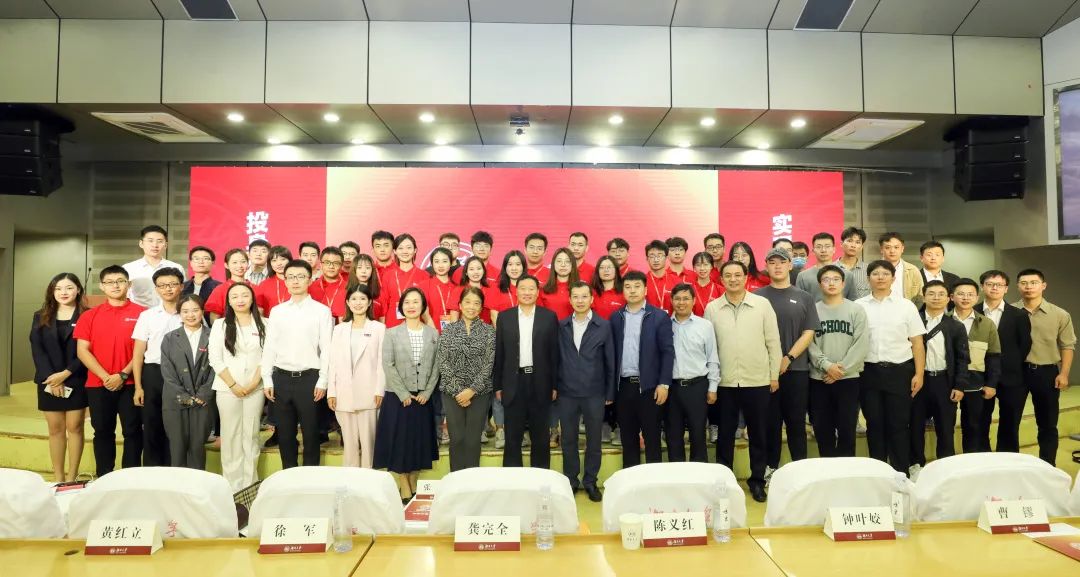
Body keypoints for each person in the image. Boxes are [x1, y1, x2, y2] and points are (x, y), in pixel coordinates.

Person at [704, 260, 781, 503]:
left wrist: (774, 375)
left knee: (758, 434)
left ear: (746, 277)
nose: (733, 279)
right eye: (728, 275)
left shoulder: (762, 305)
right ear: (721, 280)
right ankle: (724, 482)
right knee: (725, 435)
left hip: (757, 379)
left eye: (738, 275)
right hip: (725, 382)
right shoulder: (713, 308)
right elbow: (709, 348)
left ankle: (757, 481)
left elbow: (773, 342)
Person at [74, 265, 146, 477]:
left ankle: (130, 478)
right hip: (99, 384)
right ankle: (105, 477)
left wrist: (122, 375)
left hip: (131, 383)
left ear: (128, 284)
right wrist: (106, 377)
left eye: (120, 281)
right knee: (103, 432)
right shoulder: (90, 316)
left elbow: (144, 350)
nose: (115, 286)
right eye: (110, 282)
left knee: (133, 431)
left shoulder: (143, 314)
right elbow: (82, 350)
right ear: (102, 286)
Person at [856, 260, 926, 475]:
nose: (880, 277)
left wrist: (919, 374)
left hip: (900, 371)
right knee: (874, 424)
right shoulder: (858, 306)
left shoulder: (906, 306)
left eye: (885, 274)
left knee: (899, 424)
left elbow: (917, 342)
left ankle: (900, 473)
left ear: (893, 278)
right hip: (868, 371)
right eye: (875, 274)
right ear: (868, 279)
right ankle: (879, 473)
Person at [262, 260, 333, 468]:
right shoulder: (277, 311)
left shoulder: (321, 311)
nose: (295, 281)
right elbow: (270, 346)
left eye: (301, 276)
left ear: (310, 280)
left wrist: (323, 380)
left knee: (311, 434)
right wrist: (267, 378)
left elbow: (327, 348)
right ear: (284, 280)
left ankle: (310, 479)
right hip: (281, 378)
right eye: (291, 277)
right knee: (285, 435)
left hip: (310, 378)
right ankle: (288, 477)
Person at [756, 248, 818, 479]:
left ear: (790, 265)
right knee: (770, 423)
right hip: (765, 372)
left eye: (782, 262)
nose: (777, 266)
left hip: (797, 370)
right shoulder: (757, 297)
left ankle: (800, 472)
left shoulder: (804, 297)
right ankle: (770, 469)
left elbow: (808, 332)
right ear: (766, 267)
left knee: (796, 423)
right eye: (772, 262)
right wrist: (772, 362)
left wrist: (788, 357)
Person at [376, 287, 440, 502]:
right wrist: (403, 393)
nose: (411, 306)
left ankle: (413, 482)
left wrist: (427, 392)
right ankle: (404, 485)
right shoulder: (392, 333)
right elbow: (388, 364)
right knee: (400, 443)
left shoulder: (433, 334)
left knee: (419, 443)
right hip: (398, 398)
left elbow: (437, 366)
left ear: (423, 306)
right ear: (401, 307)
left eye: (416, 302)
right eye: (407, 302)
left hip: (423, 398)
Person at [556, 281, 615, 501]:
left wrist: (610, 392)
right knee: (568, 439)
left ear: (592, 299)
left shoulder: (604, 326)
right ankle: (571, 481)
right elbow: (555, 359)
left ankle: (590, 481)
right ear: (570, 299)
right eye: (575, 296)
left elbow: (610, 361)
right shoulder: (561, 326)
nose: (580, 301)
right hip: (567, 392)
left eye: (584, 296)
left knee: (594, 440)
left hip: (594, 392)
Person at [493, 275, 559, 469]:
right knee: (512, 437)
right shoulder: (505, 317)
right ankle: (514, 480)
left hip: (541, 382)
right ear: (516, 291)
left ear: (538, 292)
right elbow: (500, 353)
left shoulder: (549, 317)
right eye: (523, 288)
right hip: (513, 383)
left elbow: (554, 354)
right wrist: (498, 385)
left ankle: (541, 479)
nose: (527, 292)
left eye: (531, 289)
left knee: (541, 437)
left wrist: (555, 385)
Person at [610, 271, 675, 468]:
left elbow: (668, 352)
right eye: (628, 287)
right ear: (623, 291)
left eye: (637, 286)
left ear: (645, 290)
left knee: (652, 438)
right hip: (624, 387)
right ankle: (631, 481)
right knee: (628, 439)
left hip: (649, 388)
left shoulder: (659, 317)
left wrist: (664, 384)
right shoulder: (616, 317)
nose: (632, 291)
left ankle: (653, 482)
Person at [30, 272, 89, 482]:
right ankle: (58, 478)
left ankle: (71, 478)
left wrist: (65, 374)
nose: (63, 292)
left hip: (76, 377)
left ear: (78, 290)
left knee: (75, 427)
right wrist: (51, 378)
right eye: (58, 288)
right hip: (48, 380)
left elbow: (89, 350)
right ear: (52, 291)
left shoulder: (87, 315)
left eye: (69, 288)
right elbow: (37, 349)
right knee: (55, 429)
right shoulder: (41, 315)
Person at [1013, 268, 1076, 465]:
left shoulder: (1059, 314)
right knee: (1010, 422)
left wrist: (1064, 373)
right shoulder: (1009, 312)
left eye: (1033, 283)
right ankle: (1010, 466)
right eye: (1024, 283)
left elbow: (1067, 346)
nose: (1028, 287)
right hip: (1015, 373)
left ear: (1043, 286)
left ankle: (1048, 465)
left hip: (1046, 373)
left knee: (1048, 424)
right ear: (1017, 286)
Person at [208, 282, 266, 491]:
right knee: (230, 435)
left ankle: (250, 486)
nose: (240, 300)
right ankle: (232, 487)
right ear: (229, 302)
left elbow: (267, 357)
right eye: (235, 296)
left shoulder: (265, 324)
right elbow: (215, 359)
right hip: (227, 388)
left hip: (255, 388)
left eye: (244, 295)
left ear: (252, 299)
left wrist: (253, 383)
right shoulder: (220, 325)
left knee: (251, 435)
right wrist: (233, 384)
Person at [910, 281, 969, 478]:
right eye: (931, 293)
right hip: (919, 381)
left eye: (941, 294)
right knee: (915, 425)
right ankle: (916, 466)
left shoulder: (956, 326)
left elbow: (962, 359)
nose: (936, 298)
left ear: (948, 298)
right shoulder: (913, 322)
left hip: (944, 382)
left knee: (945, 428)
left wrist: (960, 385)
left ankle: (945, 469)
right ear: (924, 296)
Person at [808, 265, 868, 457]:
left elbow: (861, 343)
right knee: (822, 429)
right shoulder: (812, 310)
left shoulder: (856, 310)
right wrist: (827, 366)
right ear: (820, 284)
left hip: (848, 379)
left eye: (836, 279)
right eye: (826, 279)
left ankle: (846, 469)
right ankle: (827, 468)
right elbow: (808, 343)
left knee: (847, 429)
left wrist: (840, 370)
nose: (831, 283)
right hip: (820, 379)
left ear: (843, 283)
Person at [436, 287, 495, 471]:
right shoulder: (449, 330)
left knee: (472, 440)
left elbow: (489, 363)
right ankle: (456, 480)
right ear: (460, 305)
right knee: (457, 438)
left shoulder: (489, 331)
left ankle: (472, 482)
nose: (472, 307)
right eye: (467, 302)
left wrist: (472, 390)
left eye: (476, 303)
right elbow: (442, 361)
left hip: (479, 393)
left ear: (481, 307)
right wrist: (458, 391)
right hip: (452, 393)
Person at [328, 284, 386, 469]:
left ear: (369, 302)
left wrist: (379, 390)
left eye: (362, 299)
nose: (358, 303)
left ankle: (370, 480)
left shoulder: (379, 328)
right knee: (349, 444)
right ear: (347, 302)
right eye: (354, 299)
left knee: (369, 445)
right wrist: (331, 392)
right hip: (343, 393)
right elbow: (333, 362)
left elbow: (382, 362)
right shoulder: (339, 329)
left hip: (369, 393)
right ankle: (350, 481)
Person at [131, 267, 184, 466]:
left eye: (172, 284)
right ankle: (152, 471)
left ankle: (174, 469)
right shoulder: (148, 316)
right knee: (152, 424)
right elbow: (138, 354)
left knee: (177, 425)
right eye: (162, 285)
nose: (168, 289)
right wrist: (138, 386)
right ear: (156, 289)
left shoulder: (190, 313)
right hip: (153, 373)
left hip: (182, 375)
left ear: (181, 286)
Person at [975, 270, 1031, 452]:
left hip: (1012, 377)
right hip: (980, 376)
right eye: (990, 284)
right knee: (979, 422)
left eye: (999, 285)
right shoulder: (972, 312)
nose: (994, 288)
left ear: (1006, 289)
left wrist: (1009, 364)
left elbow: (1024, 345)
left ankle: (1008, 460)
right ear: (982, 287)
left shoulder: (1019, 315)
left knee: (1010, 424)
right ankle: (982, 459)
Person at [160, 295, 214, 469]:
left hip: (202, 401)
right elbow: (167, 371)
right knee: (177, 448)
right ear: (179, 314)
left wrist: (204, 393)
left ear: (202, 311)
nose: (190, 315)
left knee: (197, 448)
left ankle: (197, 485)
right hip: (175, 401)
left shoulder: (213, 335)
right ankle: (178, 485)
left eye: (195, 310)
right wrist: (183, 395)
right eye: (185, 311)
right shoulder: (169, 338)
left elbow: (217, 368)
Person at [668, 283, 719, 463]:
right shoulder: (664, 325)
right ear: (671, 301)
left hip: (697, 386)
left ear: (694, 301)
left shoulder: (705, 326)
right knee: (673, 435)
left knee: (698, 434)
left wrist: (713, 387)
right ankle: (678, 475)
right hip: (672, 388)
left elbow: (712, 357)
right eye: (677, 299)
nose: (681, 303)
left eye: (686, 298)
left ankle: (699, 474)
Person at [951, 278, 1002, 453]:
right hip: (949, 381)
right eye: (961, 294)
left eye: (970, 294)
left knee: (974, 426)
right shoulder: (944, 321)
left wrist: (991, 384)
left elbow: (994, 356)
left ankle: (973, 461)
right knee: (947, 425)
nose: (965, 298)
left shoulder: (986, 324)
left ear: (976, 297)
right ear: (952, 297)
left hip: (976, 382)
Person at [123, 225, 185, 308]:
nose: (155, 245)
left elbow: (183, 295)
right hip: (138, 313)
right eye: (150, 241)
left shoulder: (176, 268)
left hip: (169, 313)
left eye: (159, 241)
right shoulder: (128, 268)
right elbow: (124, 296)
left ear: (166, 245)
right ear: (141, 243)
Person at [204, 248, 268, 321]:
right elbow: (214, 318)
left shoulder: (256, 289)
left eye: (243, 262)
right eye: (234, 262)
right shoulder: (220, 290)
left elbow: (260, 315)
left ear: (248, 264)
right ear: (226, 265)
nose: (239, 266)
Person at [383, 233, 429, 329]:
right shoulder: (388, 275)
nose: (405, 251)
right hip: (392, 326)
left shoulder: (424, 275)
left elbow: (426, 306)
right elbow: (384, 305)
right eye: (400, 248)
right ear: (395, 251)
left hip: (417, 326)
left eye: (409, 247)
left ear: (415, 250)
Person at [796, 232, 856, 301]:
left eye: (827, 246)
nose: (823, 250)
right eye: (819, 247)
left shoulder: (847, 275)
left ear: (834, 249)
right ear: (813, 251)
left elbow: (853, 301)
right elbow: (799, 302)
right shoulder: (803, 276)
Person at [420, 247, 461, 333]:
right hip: (430, 333)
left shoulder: (457, 288)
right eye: (436, 261)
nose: (440, 265)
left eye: (444, 261)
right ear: (432, 264)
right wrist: (434, 333)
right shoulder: (423, 285)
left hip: (453, 334)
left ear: (451, 263)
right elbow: (424, 314)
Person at [878, 232, 923, 302]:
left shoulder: (913, 270)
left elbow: (921, 296)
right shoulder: (873, 270)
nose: (892, 251)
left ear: (902, 249)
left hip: (907, 308)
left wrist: (911, 308)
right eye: (887, 247)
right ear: (881, 249)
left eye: (896, 247)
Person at [181, 246, 221, 323]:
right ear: (191, 263)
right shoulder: (182, 287)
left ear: (213, 263)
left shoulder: (219, 287)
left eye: (205, 258)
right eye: (197, 259)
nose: (201, 262)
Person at [308, 246, 348, 321]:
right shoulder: (310, 288)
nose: (331, 266)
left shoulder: (350, 288)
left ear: (341, 265)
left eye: (336, 263)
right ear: (321, 264)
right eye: (327, 262)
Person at [540, 247, 579, 320]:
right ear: (553, 264)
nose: (563, 265)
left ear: (572, 265)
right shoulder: (543, 289)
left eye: (567, 261)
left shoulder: (580, 289)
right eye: (559, 261)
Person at [459, 255, 497, 325]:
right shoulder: (458, 290)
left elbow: (494, 315)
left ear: (483, 271)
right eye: (471, 269)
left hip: (487, 329)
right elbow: (454, 317)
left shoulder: (491, 290)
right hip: (464, 330)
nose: (475, 272)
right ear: (466, 272)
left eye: (479, 268)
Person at [644, 240, 679, 313]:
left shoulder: (677, 281)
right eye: (652, 256)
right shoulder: (641, 282)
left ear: (666, 257)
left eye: (659, 256)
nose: (656, 260)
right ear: (647, 259)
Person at [836, 226, 871, 300]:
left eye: (857, 242)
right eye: (849, 241)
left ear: (861, 247)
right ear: (841, 244)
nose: (853, 245)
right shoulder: (831, 268)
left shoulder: (869, 270)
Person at [353, 253, 389, 323]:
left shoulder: (380, 293)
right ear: (354, 270)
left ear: (372, 270)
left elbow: (382, 319)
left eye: (367, 268)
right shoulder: (347, 291)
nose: (363, 271)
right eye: (359, 267)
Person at [256, 245, 293, 313]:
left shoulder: (298, 282)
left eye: (283, 259)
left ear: (290, 261)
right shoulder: (264, 285)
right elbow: (259, 311)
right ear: (270, 264)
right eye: (274, 260)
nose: (279, 263)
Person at [590, 255, 626, 320]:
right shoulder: (591, 293)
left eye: (609, 267)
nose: (606, 270)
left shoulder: (625, 293)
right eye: (602, 267)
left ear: (616, 270)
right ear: (597, 271)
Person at [690, 252, 722, 316]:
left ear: (711, 266)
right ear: (694, 267)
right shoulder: (688, 290)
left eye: (706, 264)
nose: (702, 268)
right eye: (698, 265)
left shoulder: (720, 290)